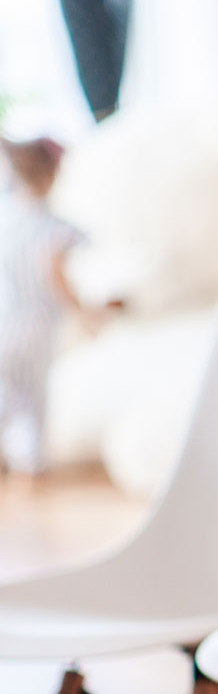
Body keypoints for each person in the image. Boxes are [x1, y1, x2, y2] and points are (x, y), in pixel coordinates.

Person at [0, 137, 97, 478]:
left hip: (6, 323)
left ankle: (14, 458)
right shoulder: (53, 227)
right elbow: (53, 274)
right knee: (34, 397)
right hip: (36, 326)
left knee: (7, 393)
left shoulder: (7, 223)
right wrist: (82, 312)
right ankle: (32, 466)